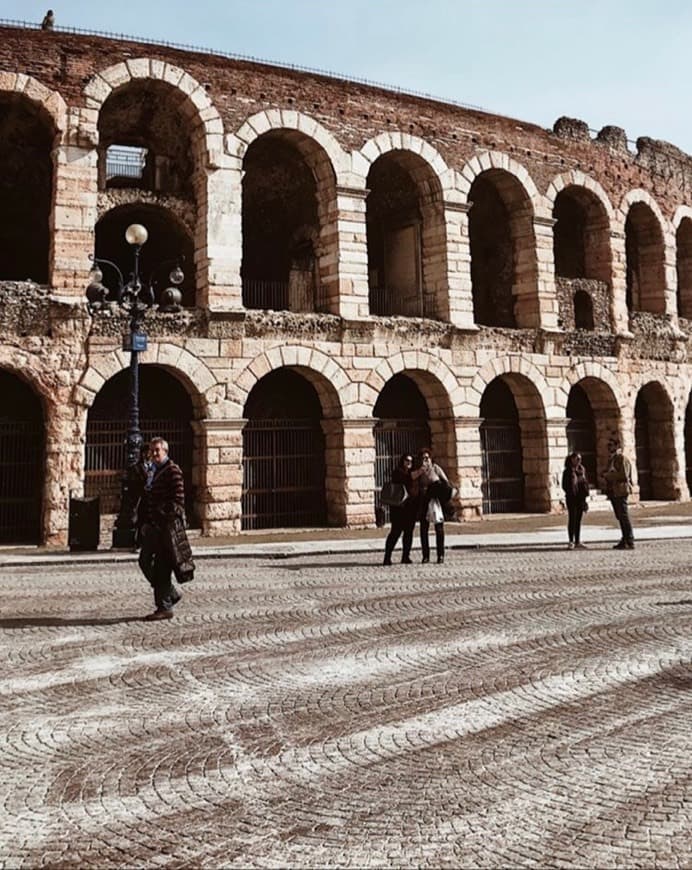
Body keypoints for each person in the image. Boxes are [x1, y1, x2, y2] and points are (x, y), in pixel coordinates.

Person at [135, 436, 195, 621]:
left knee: (162, 566)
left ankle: (164, 606)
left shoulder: (172, 471)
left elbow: (178, 501)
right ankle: (170, 593)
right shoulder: (153, 471)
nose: (153, 454)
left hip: (166, 528)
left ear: (165, 452)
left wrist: (163, 516)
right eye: (152, 451)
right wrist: (145, 522)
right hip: (153, 527)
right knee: (144, 560)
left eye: (157, 451)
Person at [411, 448, 451, 564]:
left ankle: (440, 555)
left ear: (430, 459)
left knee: (439, 529)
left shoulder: (436, 468)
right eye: (423, 458)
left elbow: (445, 482)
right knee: (424, 529)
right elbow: (412, 478)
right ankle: (426, 555)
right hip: (424, 501)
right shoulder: (419, 470)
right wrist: (421, 471)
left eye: (427, 458)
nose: (425, 461)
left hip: (436, 501)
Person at [383, 453, 418, 565]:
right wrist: (421, 470)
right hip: (398, 509)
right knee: (395, 533)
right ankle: (387, 557)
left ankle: (405, 556)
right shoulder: (398, 472)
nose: (409, 463)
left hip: (410, 508)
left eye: (411, 461)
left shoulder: (413, 474)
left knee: (408, 533)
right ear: (402, 461)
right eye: (407, 460)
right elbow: (406, 479)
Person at [603, 443, 635, 550]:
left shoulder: (622, 459)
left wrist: (608, 475)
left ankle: (629, 539)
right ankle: (624, 538)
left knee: (624, 515)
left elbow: (624, 475)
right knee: (619, 516)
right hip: (613, 491)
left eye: (611, 446)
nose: (609, 448)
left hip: (621, 490)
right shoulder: (612, 459)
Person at [561, 451, 590, 549]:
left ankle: (577, 540)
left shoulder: (582, 470)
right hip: (571, 498)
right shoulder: (568, 472)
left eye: (580, 459)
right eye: (577, 459)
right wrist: (571, 491)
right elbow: (564, 485)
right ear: (572, 459)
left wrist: (585, 494)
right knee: (572, 519)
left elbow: (585, 483)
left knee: (578, 520)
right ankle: (571, 541)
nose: (579, 461)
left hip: (580, 498)